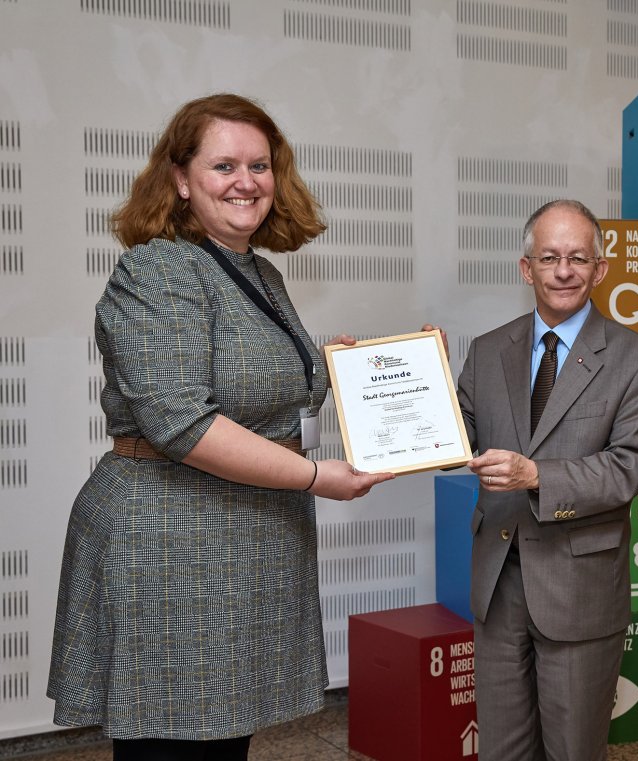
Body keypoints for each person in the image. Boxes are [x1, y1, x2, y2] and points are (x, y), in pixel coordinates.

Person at [48, 93, 394, 761]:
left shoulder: (257, 272)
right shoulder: (158, 268)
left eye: (260, 165)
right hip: (173, 542)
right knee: (176, 744)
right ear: (181, 179)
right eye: (224, 165)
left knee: (223, 740)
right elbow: (180, 420)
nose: (246, 181)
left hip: (245, 533)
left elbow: (266, 388)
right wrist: (318, 476)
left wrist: (367, 367)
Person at [456, 199, 638, 761]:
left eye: (579, 257)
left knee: (574, 749)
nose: (564, 270)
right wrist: (403, 376)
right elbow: (450, 437)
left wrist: (535, 475)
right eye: (549, 257)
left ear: (600, 269)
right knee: (502, 748)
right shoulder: (486, 351)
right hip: (498, 581)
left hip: (579, 585)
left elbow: (632, 464)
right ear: (526, 268)